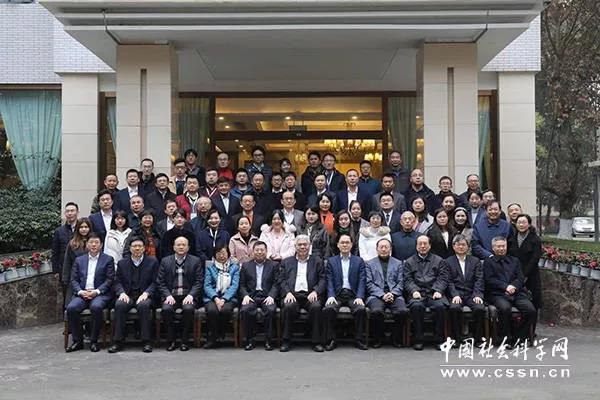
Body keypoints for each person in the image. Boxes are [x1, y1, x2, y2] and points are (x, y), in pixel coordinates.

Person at [65, 233, 114, 353]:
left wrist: (96, 292)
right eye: (91, 242)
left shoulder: (108, 259)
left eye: (96, 242)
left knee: (96, 307)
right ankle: (78, 341)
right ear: (87, 244)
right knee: (71, 308)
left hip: (99, 294)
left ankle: (94, 341)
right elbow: (74, 279)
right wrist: (80, 291)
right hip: (82, 293)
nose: (94, 245)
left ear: (101, 245)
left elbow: (109, 280)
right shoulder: (79, 260)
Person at [108, 237, 159, 353]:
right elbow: (117, 281)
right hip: (128, 294)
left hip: (144, 295)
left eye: (140, 246)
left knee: (144, 306)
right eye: (134, 246)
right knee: (119, 305)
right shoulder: (122, 263)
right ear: (130, 248)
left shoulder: (152, 262)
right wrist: (121, 293)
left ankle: (146, 341)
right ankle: (118, 341)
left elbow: (156, 282)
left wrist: (146, 293)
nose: (137, 248)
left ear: (144, 248)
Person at [484, 237, 537, 347]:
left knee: (530, 310)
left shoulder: (514, 260)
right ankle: (505, 338)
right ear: (493, 248)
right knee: (505, 308)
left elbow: (520, 278)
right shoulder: (488, 262)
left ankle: (519, 337)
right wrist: (505, 287)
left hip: (517, 293)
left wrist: (513, 286)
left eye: (503, 246)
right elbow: (489, 280)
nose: (501, 248)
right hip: (498, 294)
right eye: (498, 246)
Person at [279, 235, 326, 352]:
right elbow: (281, 280)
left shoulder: (317, 261)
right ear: (295, 246)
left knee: (316, 306)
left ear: (309, 246)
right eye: (299, 245)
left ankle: (316, 342)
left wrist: (316, 291)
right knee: (288, 306)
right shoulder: (286, 262)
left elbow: (323, 279)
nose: (302, 247)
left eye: (305, 244)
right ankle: (286, 341)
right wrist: (287, 292)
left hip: (310, 294)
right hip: (292, 294)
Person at [156, 236, 204, 351]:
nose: (181, 247)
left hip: (188, 295)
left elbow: (199, 282)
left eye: (184, 245)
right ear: (174, 247)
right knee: (166, 309)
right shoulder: (165, 261)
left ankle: (184, 341)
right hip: (171, 295)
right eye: (178, 245)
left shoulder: (195, 261)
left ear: (188, 247)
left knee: (188, 309)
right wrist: (167, 295)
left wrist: (191, 295)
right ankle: (171, 340)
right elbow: (160, 282)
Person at [403, 235, 449, 350]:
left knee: (440, 306)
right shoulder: (409, 262)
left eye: (425, 244)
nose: (422, 246)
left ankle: (439, 339)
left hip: (434, 293)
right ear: (416, 246)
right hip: (417, 293)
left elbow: (443, 278)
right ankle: (418, 339)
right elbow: (407, 279)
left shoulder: (439, 260)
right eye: (420, 244)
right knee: (416, 306)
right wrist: (413, 290)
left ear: (430, 246)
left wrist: (438, 290)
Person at [324, 234, 368, 351]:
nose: (345, 245)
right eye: (342, 242)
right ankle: (331, 340)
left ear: (351, 245)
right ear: (338, 245)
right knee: (329, 309)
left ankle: (359, 339)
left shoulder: (359, 261)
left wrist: (359, 296)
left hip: (353, 295)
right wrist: (331, 295)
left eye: (347, 242)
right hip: (337, 295)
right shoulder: (331, 261)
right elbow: (329, 280)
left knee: (360, 309)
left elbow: (362, 280)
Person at [365, 238, 407, 348]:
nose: (383, 249)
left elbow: (401, 282)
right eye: (381, 247)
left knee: (402, 311)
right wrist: (382, 295)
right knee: (376, 312)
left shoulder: (398, 263)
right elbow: (369, 283)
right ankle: (378, 338)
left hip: (394, 295)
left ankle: (395, 337)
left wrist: (393, 293)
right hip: (376, 295)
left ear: (390, 249)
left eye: (386, 247)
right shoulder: (369, 264)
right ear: (377, 249)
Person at [445, 235, 485, 345]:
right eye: (458, 245)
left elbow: (479, 279)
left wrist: (477, 294)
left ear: (468, 247)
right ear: (453, 246)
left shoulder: (475, 261)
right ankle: (456, 339)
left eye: (463, 244)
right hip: (456, 294)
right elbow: (448, 281)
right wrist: (454, 295)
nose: (461, 247)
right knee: (454, 308)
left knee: (479, 308)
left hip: (471, 294)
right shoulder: (447, 262)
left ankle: (478, 339)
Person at [239, 241, 279, 350]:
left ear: (266, 251)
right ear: (253, 251)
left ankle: (269, 340)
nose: (259, 252)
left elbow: (276, 283)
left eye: (262, 250)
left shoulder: (274, 265)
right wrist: (245, 295)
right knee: (245, 310)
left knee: (270, 310)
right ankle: (250, 340)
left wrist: (271, 296)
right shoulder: (246, 266)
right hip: (251, 296)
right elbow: (242, 285)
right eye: (257, 250)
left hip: (267, 296)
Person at [508, 214, 542, 333]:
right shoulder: (511, 239)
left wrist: (524, 275)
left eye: (524, 222)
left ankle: (531, 331)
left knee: (533, 302)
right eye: (519, 222)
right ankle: (516, 330)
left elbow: (535, 259)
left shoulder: (535, 239)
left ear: (529, 224)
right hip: (514, 275)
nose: (521, 225)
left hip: (531, 275)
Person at [203, 245, 240, 349]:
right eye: (218, 254)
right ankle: (213, 338)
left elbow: (234, 285)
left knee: (225, 310)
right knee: (212, 311)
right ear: (214, 255)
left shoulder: (234, 267)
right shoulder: (210, 267)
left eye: (223, 253)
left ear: (228, 254)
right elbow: (207, 285)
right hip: (212, 297)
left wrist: (224, 299)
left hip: (229, 297)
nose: (221, 256)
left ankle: (219, 335)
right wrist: (216, 298)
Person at [62, 218, 93, 291]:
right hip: (76, 276)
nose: (84, 229)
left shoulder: (95, 243)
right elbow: (67, 262)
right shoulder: (72, 243)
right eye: (81, 227)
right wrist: (65, 278)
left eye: (86, 227)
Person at [52, 202, 78, 277]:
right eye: (67, 211)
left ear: (77, 212)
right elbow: (55, 252)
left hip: (80, 268)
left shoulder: (83, 229)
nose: (70, 213)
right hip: (64, 269)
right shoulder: (59, 231)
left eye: (72, 211)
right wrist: (55, 270)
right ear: (65, 213)